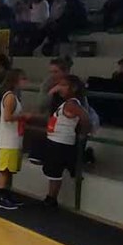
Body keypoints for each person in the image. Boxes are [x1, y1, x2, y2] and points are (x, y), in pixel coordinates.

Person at [42, 75, 92, 208]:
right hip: (55, 140)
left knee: (55, 172)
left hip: (60, 143)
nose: (60, 89)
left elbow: (85, 118)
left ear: (73, 88)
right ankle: (51, 196)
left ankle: (51, 198)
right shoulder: (66, 103)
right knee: (53, 171)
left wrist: (83, 134)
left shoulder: (72, 104)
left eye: (63, 85)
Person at [0, 69, 31, 210]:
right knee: (5, 170)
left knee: (10, 170)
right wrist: (23, 116)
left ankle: (7, 194)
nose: (25, 81)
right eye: (23, 79)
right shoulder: (10, 97)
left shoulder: (14, 97)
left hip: (15, 138)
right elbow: (7, 117)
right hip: (9, 140)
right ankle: (2, 197)